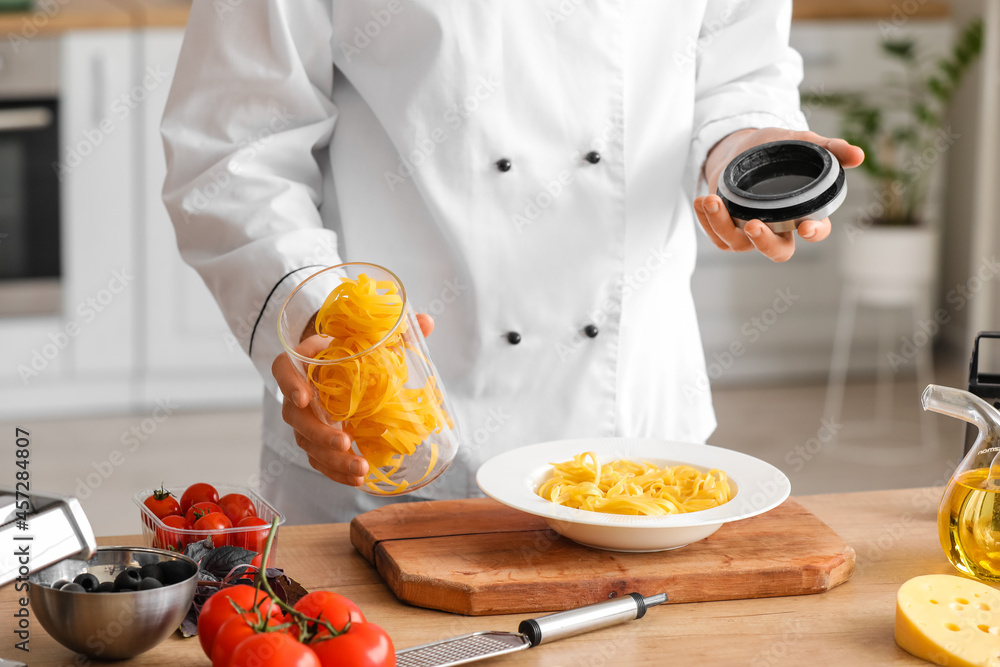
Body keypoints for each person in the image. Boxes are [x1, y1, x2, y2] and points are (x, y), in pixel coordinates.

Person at [162, 1, 864, 524]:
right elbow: (236, 148)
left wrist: (742, 147)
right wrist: (325, 334)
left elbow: (737, 67)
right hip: (395, 426)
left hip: (635, 439)